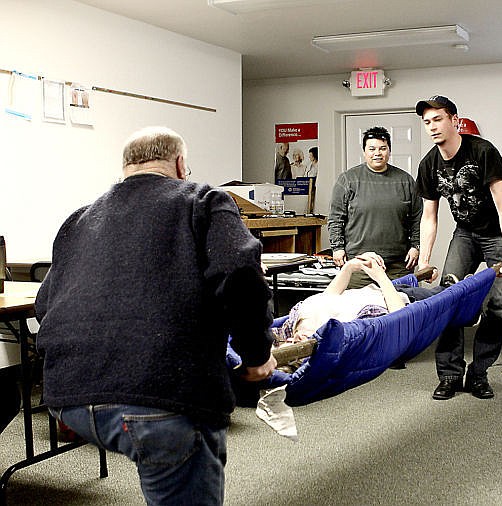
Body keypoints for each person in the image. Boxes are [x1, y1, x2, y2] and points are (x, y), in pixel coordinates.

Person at [34, 126, 276, 505]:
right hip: (160, 399)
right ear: (181, 165)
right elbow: (240, 272)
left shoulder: (80, 218)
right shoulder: (203, 200)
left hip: (69, 399)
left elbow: (45, 304)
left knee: (147, 440)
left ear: (127, 167)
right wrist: (257, 356)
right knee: (162, 442)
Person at [415, 95, 502, 400]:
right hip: (466, 233)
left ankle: (479, 374)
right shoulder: (429, 164)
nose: (432, 127)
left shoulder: (483, 151)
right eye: (427, 122)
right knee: (448, 300)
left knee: (498, 308)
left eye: (438, 119)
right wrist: (424, 262)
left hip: (498, 235)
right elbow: (429, 217)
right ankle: (450, 374)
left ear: (454, 121)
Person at [274, 252, 444, 344]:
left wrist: (349, 267)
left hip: (375, 289)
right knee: (448, 295)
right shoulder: (347, 327)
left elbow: (329, 298)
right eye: (298, 344)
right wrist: (379, 275)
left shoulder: (299, 315)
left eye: (291, 341)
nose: (296, 339)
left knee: (424, 280)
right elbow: (399, 317)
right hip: (400, 298)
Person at [328, 126, 422, 288]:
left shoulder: (405, 181)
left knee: (401, 308)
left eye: (382, 148)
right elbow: (336, 218)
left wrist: (416, 246)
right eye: (372, 149)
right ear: (364, 152)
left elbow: (418, 218)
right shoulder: (347, 180)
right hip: (360, 265)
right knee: (358, 310)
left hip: (398, 266)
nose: (377, 153)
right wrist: (337, 247)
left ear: (389, 151)